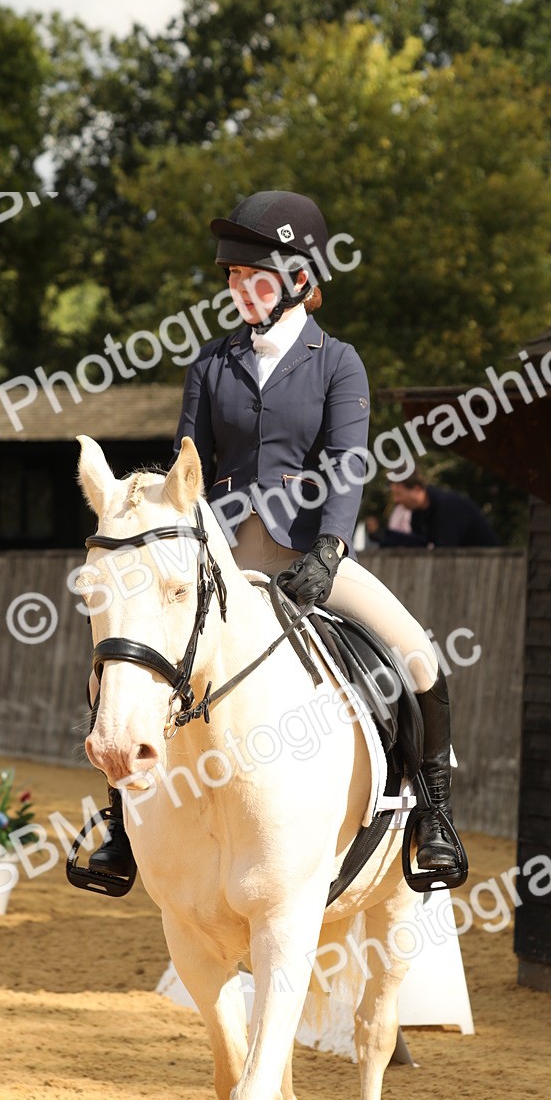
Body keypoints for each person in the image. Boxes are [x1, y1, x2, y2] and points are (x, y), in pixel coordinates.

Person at [89, 190, 462, 885]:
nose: (236, 288)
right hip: (219, 555)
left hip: (305, 551)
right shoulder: (210, 363)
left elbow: (348, 465)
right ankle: (116, 825)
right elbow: (185, 473)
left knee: (417, 656)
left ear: (299, 279)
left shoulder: (337, 362)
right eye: (231, 277)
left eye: (250, 276)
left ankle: (431, 816)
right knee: (128, 650)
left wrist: (329, 550)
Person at [385, 475, 498, 548]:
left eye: (399, 494)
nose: (396, 500)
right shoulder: (417, 514)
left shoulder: (449, 507)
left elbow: (444, 551)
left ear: (416, 489)